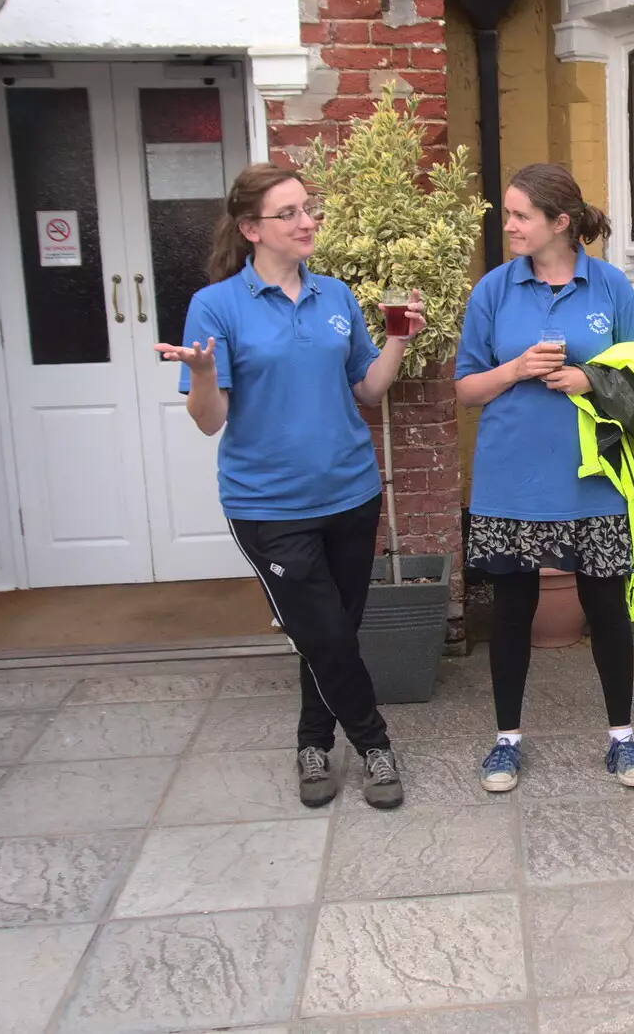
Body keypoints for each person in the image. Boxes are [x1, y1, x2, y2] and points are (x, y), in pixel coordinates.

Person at [155, 163, 417, 810]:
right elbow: (209, 419)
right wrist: (207, 373)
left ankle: (311, 741)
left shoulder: (334, 297)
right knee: (324, 632)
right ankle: (373, 742)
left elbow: (367, 389)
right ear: (251, 229)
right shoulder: (216, 306)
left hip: (352, 494)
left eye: (309, 208)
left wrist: (398, 339)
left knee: (329, 631)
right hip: (269, 506)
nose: (308, 222)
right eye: (290, 213)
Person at [455, 163, 634, 793]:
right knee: (512, 607)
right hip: (511, 478)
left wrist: (589, 379)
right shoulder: (493, 289)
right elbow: (466, 389)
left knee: (607, 605)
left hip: (593, 475)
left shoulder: (609, 288)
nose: (509, 225)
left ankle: (623, 739)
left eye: (520, 215)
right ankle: (506, 742)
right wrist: (516, 367)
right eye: (509, 214)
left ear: (559, 223)